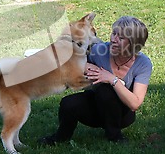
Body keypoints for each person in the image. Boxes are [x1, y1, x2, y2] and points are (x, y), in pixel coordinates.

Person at [39, 16, 153, 144]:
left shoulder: (143, 63)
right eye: (113, 33)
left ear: (133, 44)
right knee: (68, 103)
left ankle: (115, 136)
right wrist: (87, 66)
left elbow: (135, 103)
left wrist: (112, 79)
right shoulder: (99, 50)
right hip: (97, 107)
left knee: (106, 90)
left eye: (120, 38)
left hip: (122, 115)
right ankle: (60, 138)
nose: (113, 40)